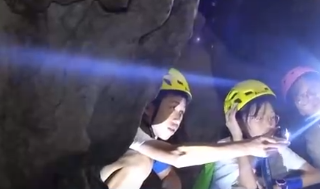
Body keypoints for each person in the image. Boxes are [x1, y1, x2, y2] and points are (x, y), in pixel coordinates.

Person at [101, 68, 289, 189]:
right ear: (149, 107)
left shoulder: (150, 143)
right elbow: (177, 155)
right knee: (139, 163)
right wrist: (248, 146)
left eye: (181, 112)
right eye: (172, 107)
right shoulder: (131, 130)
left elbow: (169, 174)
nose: (177, 117)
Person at [210, 80, 320, 189]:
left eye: (272, 117)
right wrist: (237, 137)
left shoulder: (274, 145)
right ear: (237, 122)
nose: (270, 123)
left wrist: (280, 187)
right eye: (259, 117)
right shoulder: (224, 152)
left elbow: (317, 175)